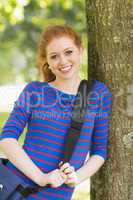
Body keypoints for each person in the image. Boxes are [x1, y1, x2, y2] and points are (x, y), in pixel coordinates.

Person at [0, 25, 112, 200]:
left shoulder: (98, 93)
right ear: (48, 62)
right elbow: (7, 139)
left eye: (68, 52)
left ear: (80, 50)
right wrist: (41, 178)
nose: (63, 61)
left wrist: (78, 177)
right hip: (17, 190)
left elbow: (99, 151)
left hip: (58, 195)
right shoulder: (35, 91)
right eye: (54, 56)